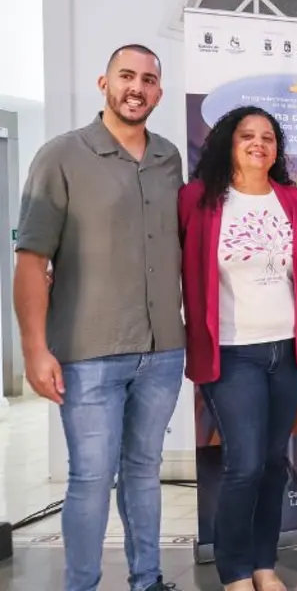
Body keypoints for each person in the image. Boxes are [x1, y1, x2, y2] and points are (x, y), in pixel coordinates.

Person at [15, 44, 186, 591]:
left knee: (143, 472)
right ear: (103, 83)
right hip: (88, 352)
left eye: (149, 79)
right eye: (126, 76)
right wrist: (34, 348)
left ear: (159, 90)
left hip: (162, 350)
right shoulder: (60, 155)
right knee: (90, 479)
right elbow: (31, 260)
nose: (137, 88)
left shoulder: (168, 157)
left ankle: (147, 580)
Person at [178, 106, 297, 591]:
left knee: (276, 463)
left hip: (288, 352)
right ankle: (234, 568)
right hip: (232, 353)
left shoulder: (294, 201)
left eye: (268, 137)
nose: (259, 144)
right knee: (245, 464)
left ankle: (264, 562)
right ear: (226, 142)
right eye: (246, 135)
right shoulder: (198, 199)